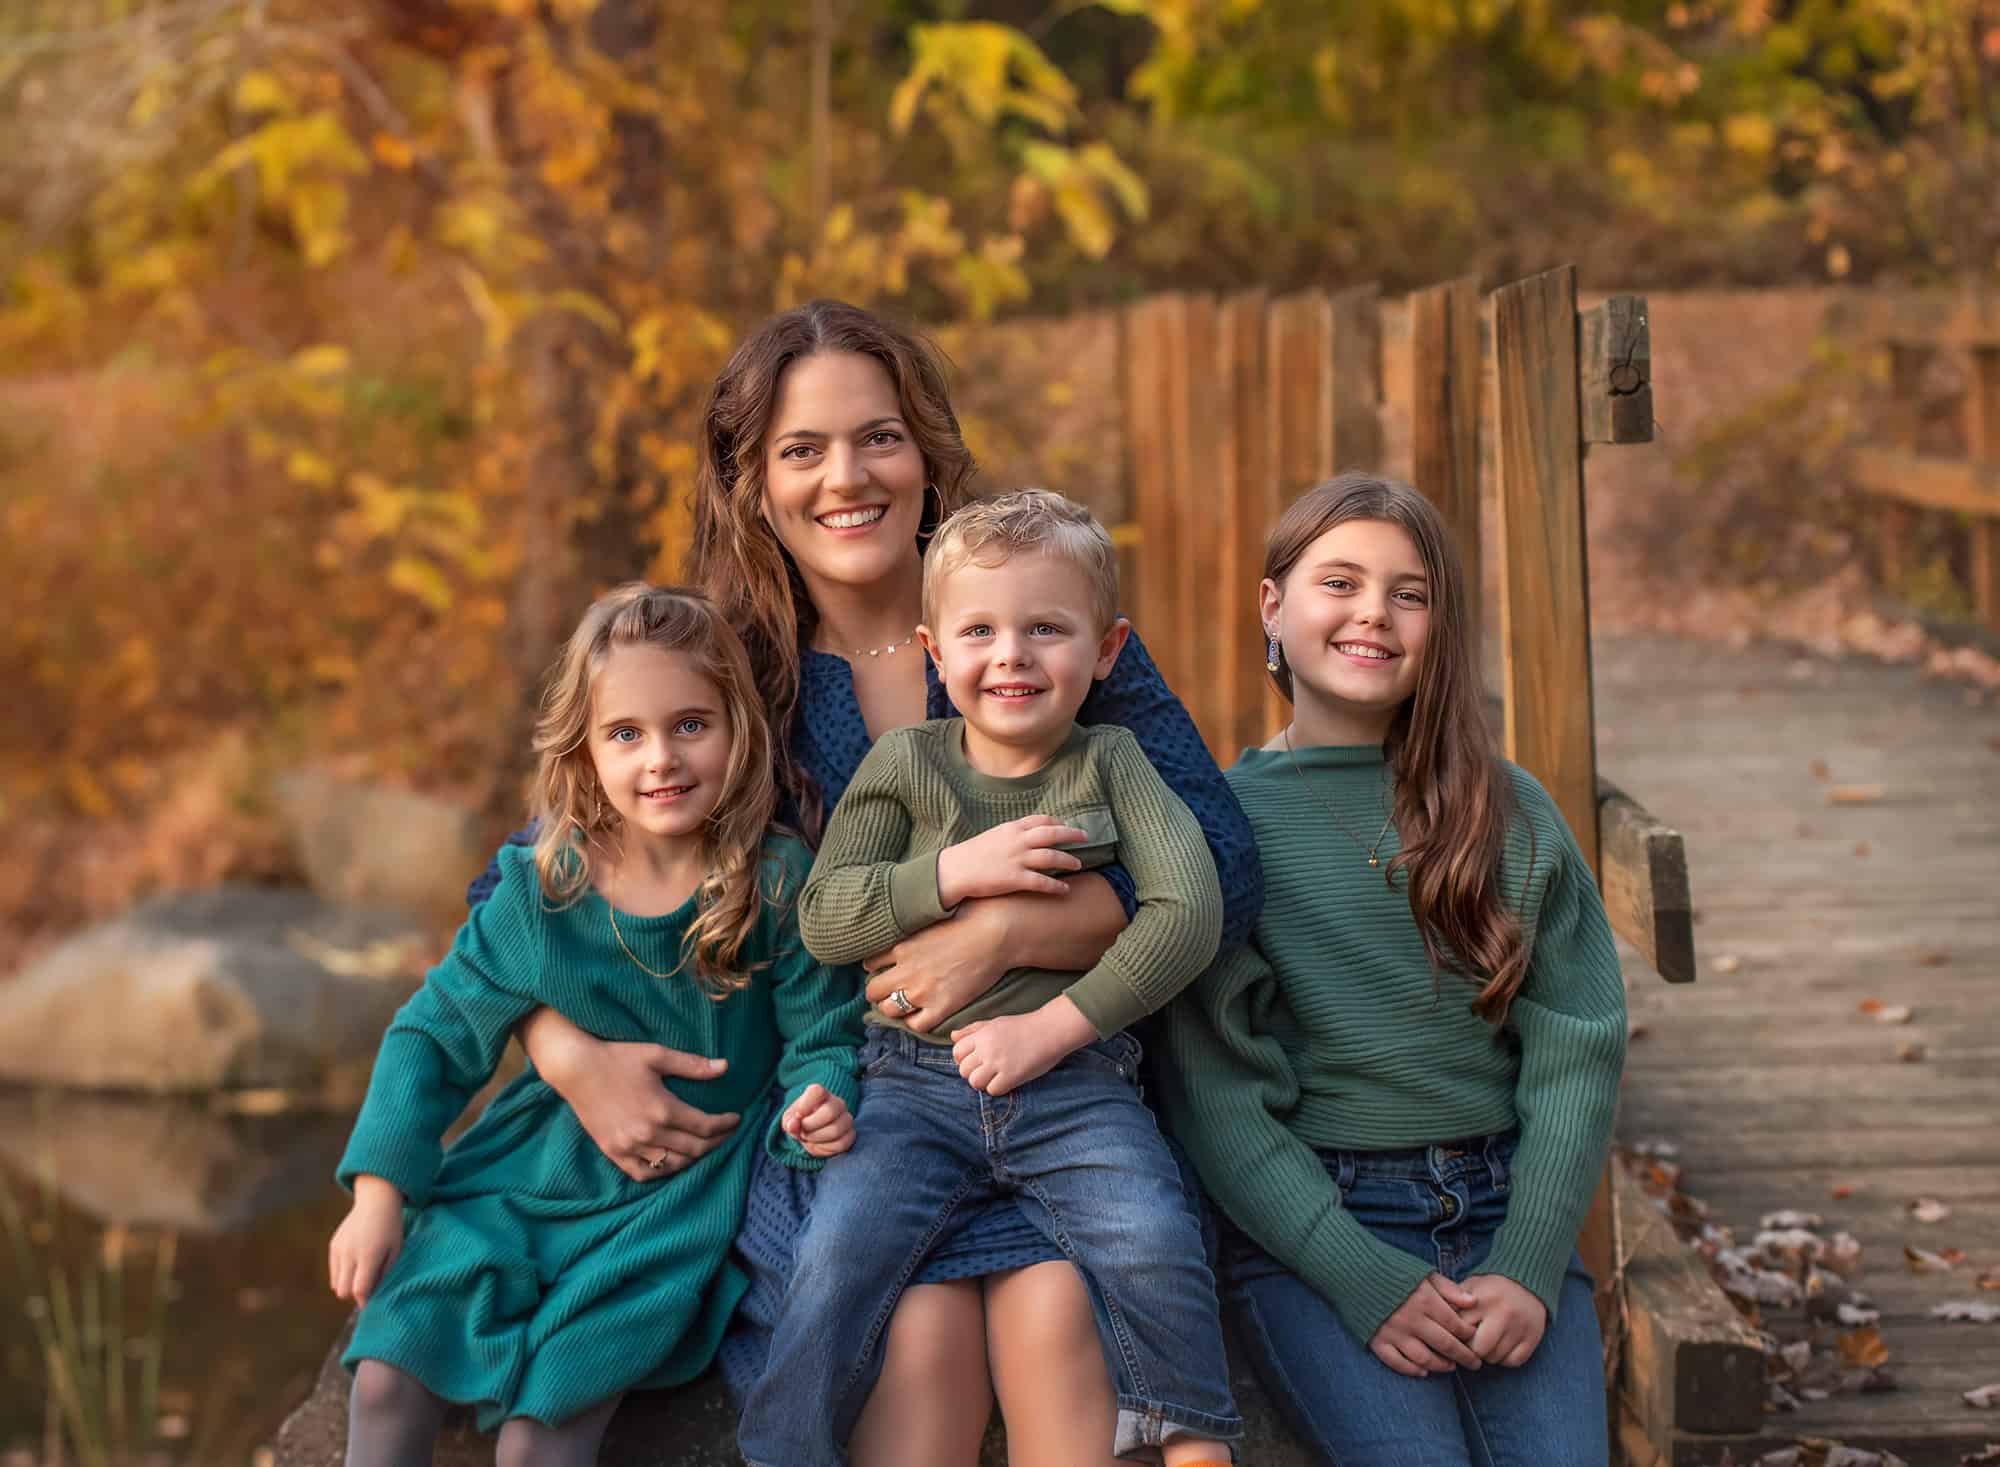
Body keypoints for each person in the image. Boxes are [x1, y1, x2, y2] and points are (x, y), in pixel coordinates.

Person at [474, 300, 1263, 1463]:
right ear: (750, 483)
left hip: (1056, 1080)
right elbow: (548, 873)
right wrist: (562, 1048)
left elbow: (1221, 860)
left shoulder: (1030, 614)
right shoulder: (720, 664)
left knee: (1059, 1304)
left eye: (878, 437)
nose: (846, 477)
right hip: (854, 1103)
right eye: (801, 450)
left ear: (926, 451)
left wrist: (1005, 936)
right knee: (917, 1331)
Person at [738, 491, 1240, 1467]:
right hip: (909, 1088)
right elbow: (827, 919)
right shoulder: (906, 764)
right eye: (979, 631)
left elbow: (1191, 911)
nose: (1009, 655)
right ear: (934, 648)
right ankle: (781, 1452)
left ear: (1105, 650)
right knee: (835, 1256)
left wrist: (1054, 1026)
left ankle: (1191, 1434)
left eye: (1044, 629)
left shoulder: (1113, 763)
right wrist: (950, 875)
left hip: (1074, 1083)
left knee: (1147, 1229)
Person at [328, 585, 864, 1467]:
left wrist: (821, 1098)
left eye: (691, 724)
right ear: (583, 746)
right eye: (626, 733)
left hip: (672, 1207)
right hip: (529, 1171)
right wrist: (378, 1194)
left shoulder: (774, 881)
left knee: (548, 1424)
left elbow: (825, 1034)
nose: (661, 757)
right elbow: (435, 1032)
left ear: (740, 731)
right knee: (388, 1370)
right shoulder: (544, 887)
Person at [1159, 473, 1627, 1467]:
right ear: (1271, 607)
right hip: (1324, 1222)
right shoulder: (1222, 827)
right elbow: (1216, 1094)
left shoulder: (1504, 808)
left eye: (1408, 594)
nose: (1372, 612)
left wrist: (1530, 1263)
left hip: (1505, 1209)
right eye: (1340, 582)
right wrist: (1358, 1274)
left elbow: (1576, 1047)